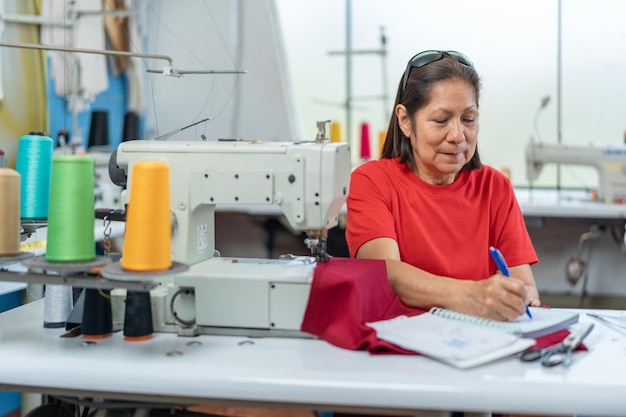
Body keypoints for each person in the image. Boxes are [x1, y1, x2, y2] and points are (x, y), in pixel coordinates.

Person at [346, 50, 540, 322]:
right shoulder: (372, 181)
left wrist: (518, 297)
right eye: (440, 121)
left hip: (478, 347)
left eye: (469, 119)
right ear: (405, 120)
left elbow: (525, 284)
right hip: (399, 345)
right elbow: (385, 272)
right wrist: (472, 295)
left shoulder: (495, 187)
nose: (458, 136)